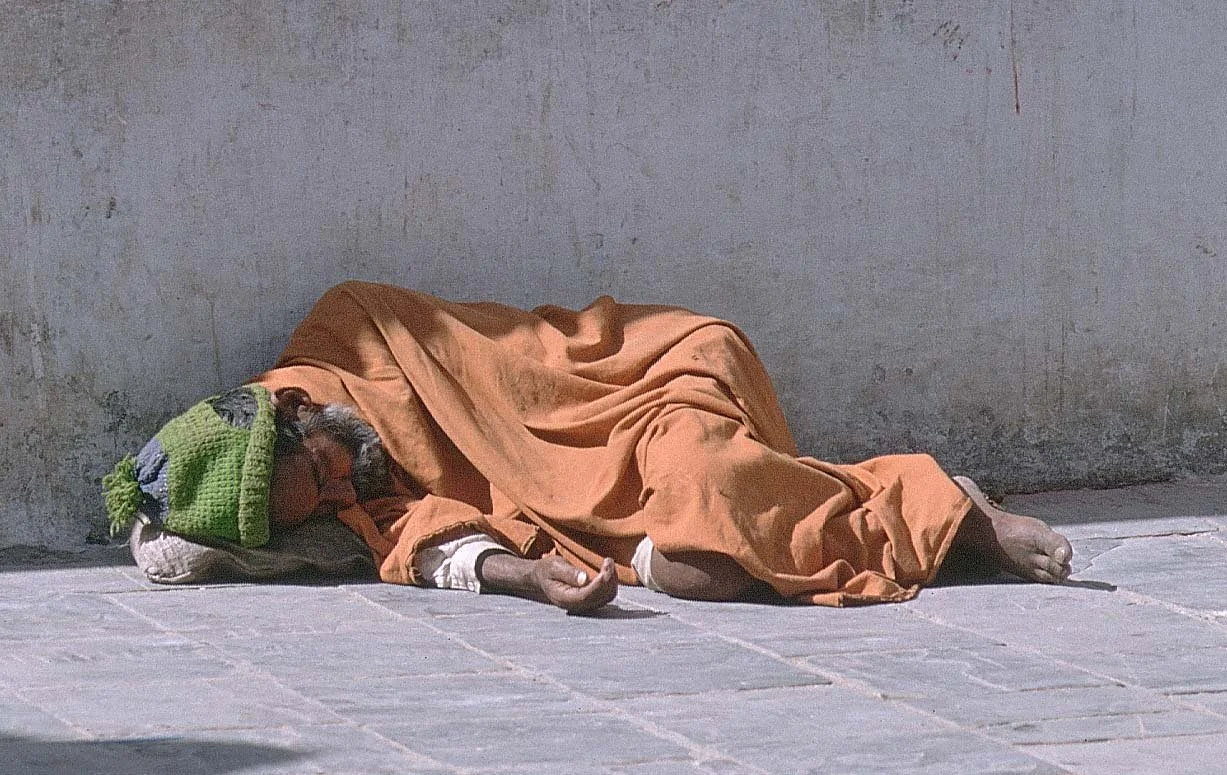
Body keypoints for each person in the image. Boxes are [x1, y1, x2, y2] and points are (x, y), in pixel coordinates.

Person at [105, 281, 1072, 613]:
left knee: (714, 475)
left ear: (290, 417)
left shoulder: (351, 326)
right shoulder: (340, 495)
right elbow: (421, 538)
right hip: (577, 519)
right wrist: (530, 579)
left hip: (644, 386)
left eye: (316, 474)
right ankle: (905, 506)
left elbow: (523, 373)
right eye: (314, 509)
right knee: (702, 571)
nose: (334, 494)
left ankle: (949, 509)